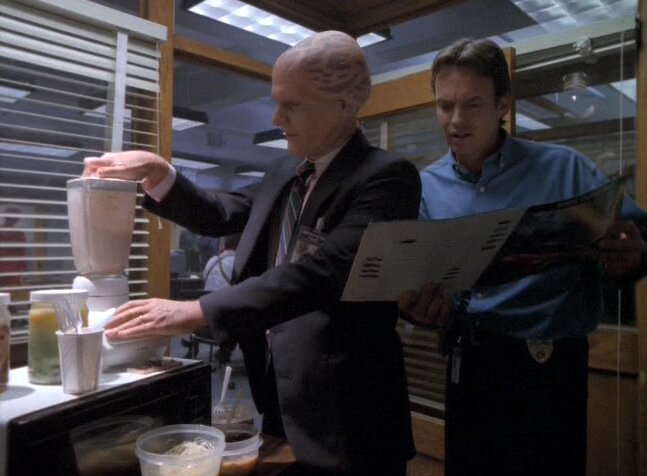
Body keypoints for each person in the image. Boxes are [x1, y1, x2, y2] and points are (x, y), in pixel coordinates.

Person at [84, 31, 419, 475]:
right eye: (276, 102)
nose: (277, 118)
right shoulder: (285, 170)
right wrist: (160, 174)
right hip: (281, 397)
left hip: (352, 414)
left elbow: (323, 272)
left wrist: (197, 310)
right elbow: (221, 213)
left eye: (291, 105)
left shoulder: (387, 177)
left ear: (344, 104)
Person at [398, 38, 647, 476]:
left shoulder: (565, 169)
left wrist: (631, 258)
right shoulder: (423, 189)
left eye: (472, 104)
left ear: (503, 105)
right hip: (469, 369)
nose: (455, 120)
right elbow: (421, 284)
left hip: (549, 372)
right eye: (444, 105)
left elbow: (638, 244)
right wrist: (419, 311)